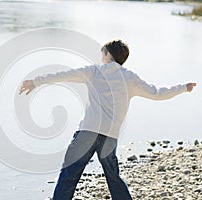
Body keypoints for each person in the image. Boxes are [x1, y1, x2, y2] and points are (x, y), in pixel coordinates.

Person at [19, 40, 196, 200]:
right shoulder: (130, 78)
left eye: (102, 53)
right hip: (109, 137)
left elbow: (64, 75)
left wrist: (36, 82)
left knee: (69, 175)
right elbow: (157, 93)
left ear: (108, 54)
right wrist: (182, 88)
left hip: (87, 133)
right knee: (113, 177)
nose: (101, 57)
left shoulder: (94, 71)